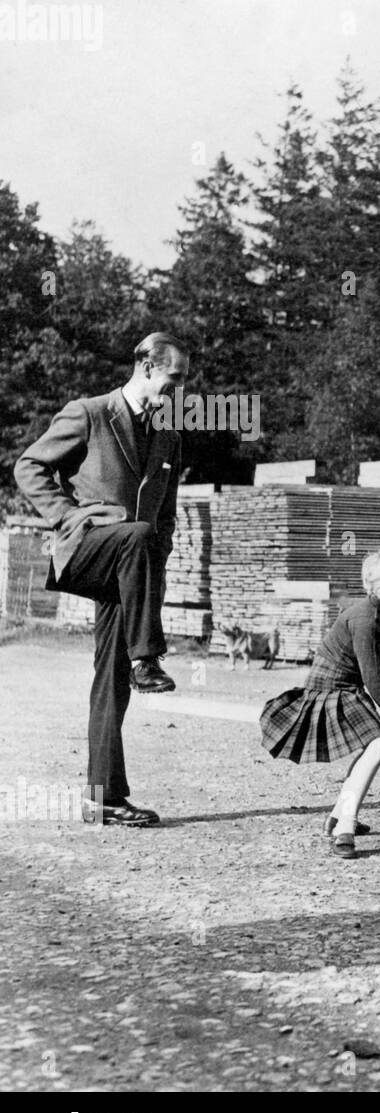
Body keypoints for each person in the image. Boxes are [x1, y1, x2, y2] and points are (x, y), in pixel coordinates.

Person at [14, 332, 187, 827]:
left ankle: (103, 796)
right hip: (88, 548)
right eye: (174, 379)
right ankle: (147, 656)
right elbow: (29, 467)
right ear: (147, 368)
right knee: (135, 534)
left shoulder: (169, 434)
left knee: (111, 683)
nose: (179, 391)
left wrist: (161, 554)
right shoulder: (89, 413)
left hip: (132, 566)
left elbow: (165, 514)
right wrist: (68, 517)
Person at [260, 543, 380, 859]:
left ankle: (340, 814)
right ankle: (346, 825)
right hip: (327, 694)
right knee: (378, 744)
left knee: (374, 744)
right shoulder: (364, 617)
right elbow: (373, 677)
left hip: (350, 692)